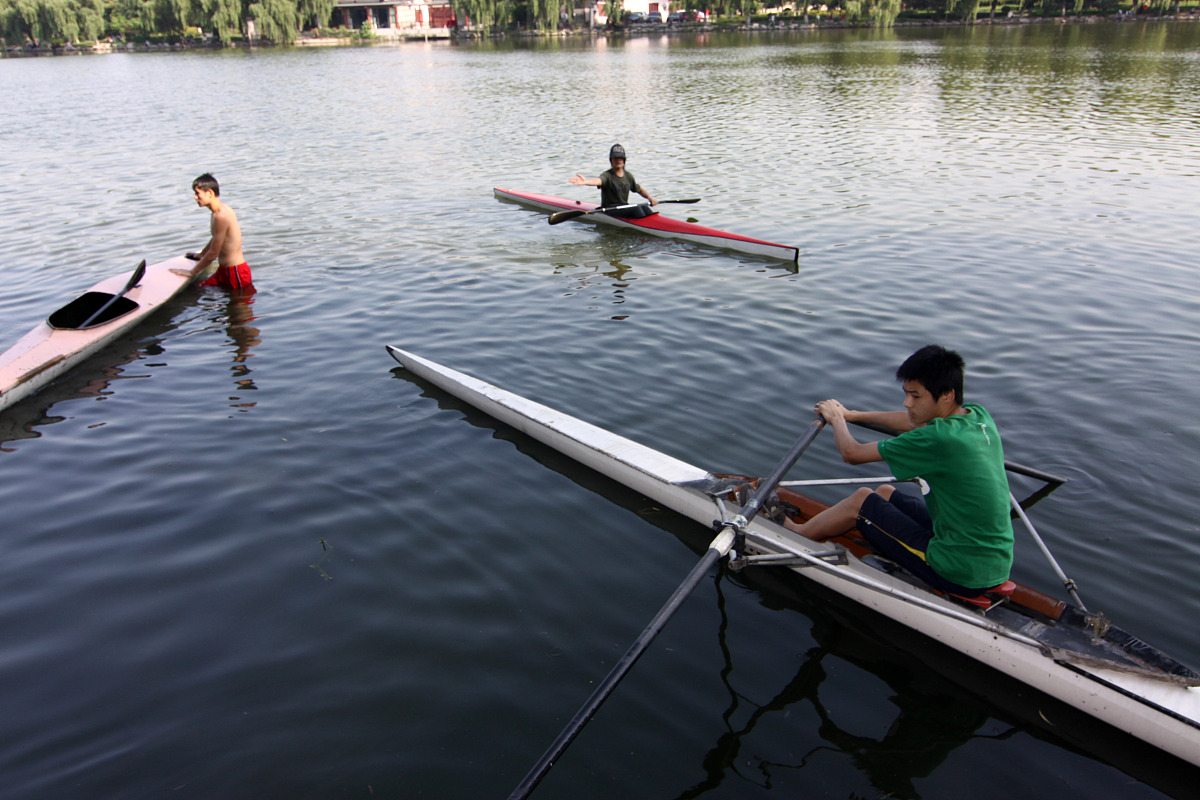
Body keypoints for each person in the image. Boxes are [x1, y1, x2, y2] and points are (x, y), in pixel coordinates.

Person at [784, 345, 1014, 598]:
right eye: (906, 394)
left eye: (915, 397)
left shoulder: (940, 438)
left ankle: (798, 533)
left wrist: (835, 419)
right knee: (884, 492)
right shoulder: (978, 416)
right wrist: (852, 415)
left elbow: (852, 454)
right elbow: (910, 421)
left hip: (958, 571)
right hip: (993, 559)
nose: (907, 402)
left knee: (861, 500)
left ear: (947, 395)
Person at [186, 173, 252, 290]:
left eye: (197, 193)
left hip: (235, 272)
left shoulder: (222, 216)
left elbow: (213, 254)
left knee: (237, 306)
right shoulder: (217, 213)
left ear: (210, 193)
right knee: (197, 288)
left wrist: (191, 273)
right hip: (223, 271)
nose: (195, 197)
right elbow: (216, 238)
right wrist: (201, 255)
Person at [569, 144, 657, 217]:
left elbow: (639, 190)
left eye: (620, 158)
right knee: (637, 209)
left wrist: (650, 198)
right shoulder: (607, 175)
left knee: (644, 207)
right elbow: (599, 181)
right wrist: (586, 182)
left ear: (624, 160)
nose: (618, 160)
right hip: (609, 210)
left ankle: (656, 225)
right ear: (611, 160)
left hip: (623, 208)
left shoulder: (628, 176)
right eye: (615, 158)